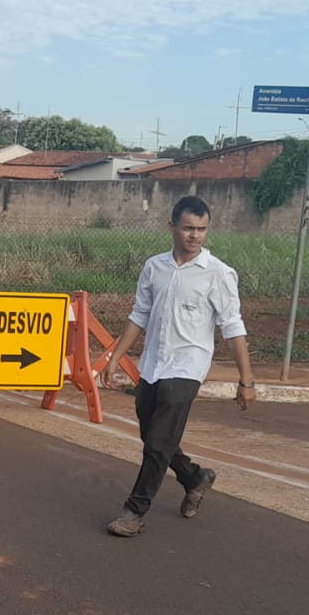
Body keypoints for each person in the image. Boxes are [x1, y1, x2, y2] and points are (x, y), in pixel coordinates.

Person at [100, 195, 255, 537]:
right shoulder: (155, 267)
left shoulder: (218, 274)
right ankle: (194, 477)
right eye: (188, 228)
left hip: (188, 366)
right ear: (172, 227)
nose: (195, 236)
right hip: (154, 363)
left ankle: (134, 511)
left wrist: (247, 380)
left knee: (157, 443)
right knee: (152, 434)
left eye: (201, 229)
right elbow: (139, 315)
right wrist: (115, 357)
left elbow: (233, 327)